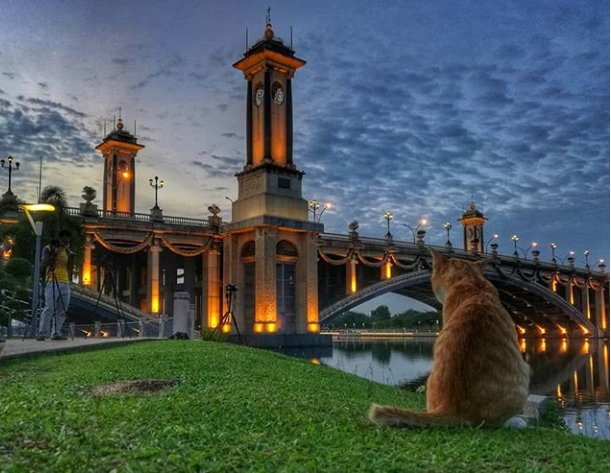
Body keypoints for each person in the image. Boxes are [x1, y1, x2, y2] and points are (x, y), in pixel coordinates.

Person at [36, 230, 72, 341]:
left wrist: (71, 257)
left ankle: (56, 332)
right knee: (49, 307)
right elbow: (44, 263)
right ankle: (42, 332)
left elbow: (69, 268)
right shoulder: (48, 248)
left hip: (65, 282)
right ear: (59, 239)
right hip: (51, 280)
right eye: (63, 239)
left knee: (62, 309)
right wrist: (55, 253)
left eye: (67, 240)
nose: (65, 241)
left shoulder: (67, 251)